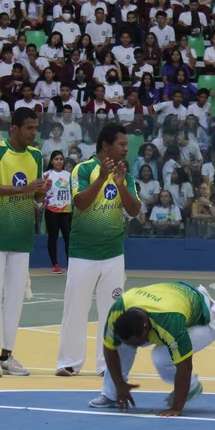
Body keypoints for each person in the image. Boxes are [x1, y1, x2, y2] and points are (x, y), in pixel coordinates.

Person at [58, 121, 140, 381]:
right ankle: (69, 362)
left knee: (112, 311)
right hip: (83, 252)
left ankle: (106, 364)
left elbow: (134, 210)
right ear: (106, 145)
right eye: (122, 144)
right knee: (76, 309)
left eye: (127, 145)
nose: (126, 149)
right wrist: (103, 179)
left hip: (114, 254)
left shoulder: (125, 174)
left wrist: (121, 184)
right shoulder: (83, 170)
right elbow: (80, 203)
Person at [0, 107, 49, 378]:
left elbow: (37, 198)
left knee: (16, 297)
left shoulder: (36, 155)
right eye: (29, 128)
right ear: (15, 129)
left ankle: (7, 355)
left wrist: (42, 192)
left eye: (36, 128)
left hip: (22, 235)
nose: (34, 133)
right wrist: (25, 189)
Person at [96, 281, 215, 417]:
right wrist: (119, 384)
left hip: (204, 321)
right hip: (173, 305)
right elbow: (109, 349)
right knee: (121, 344)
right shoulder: (118, 311)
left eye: (137, 343)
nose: (135, 347)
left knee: (161, 357)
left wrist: (176, 408)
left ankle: (191, 386)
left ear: (145, 328)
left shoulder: (170, 321)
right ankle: (111, 394)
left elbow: (184, 366)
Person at [42, 150, 72, 274]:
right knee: (53, 237)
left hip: (66, 210)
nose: (59, 161)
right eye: (56, 159)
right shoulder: (46, 175)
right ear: (51, 161)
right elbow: (42, 192)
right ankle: (55, 264)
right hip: (52, 210)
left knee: (68, 238)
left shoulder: (68, 175)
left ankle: (71, 265)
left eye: (61, 159)